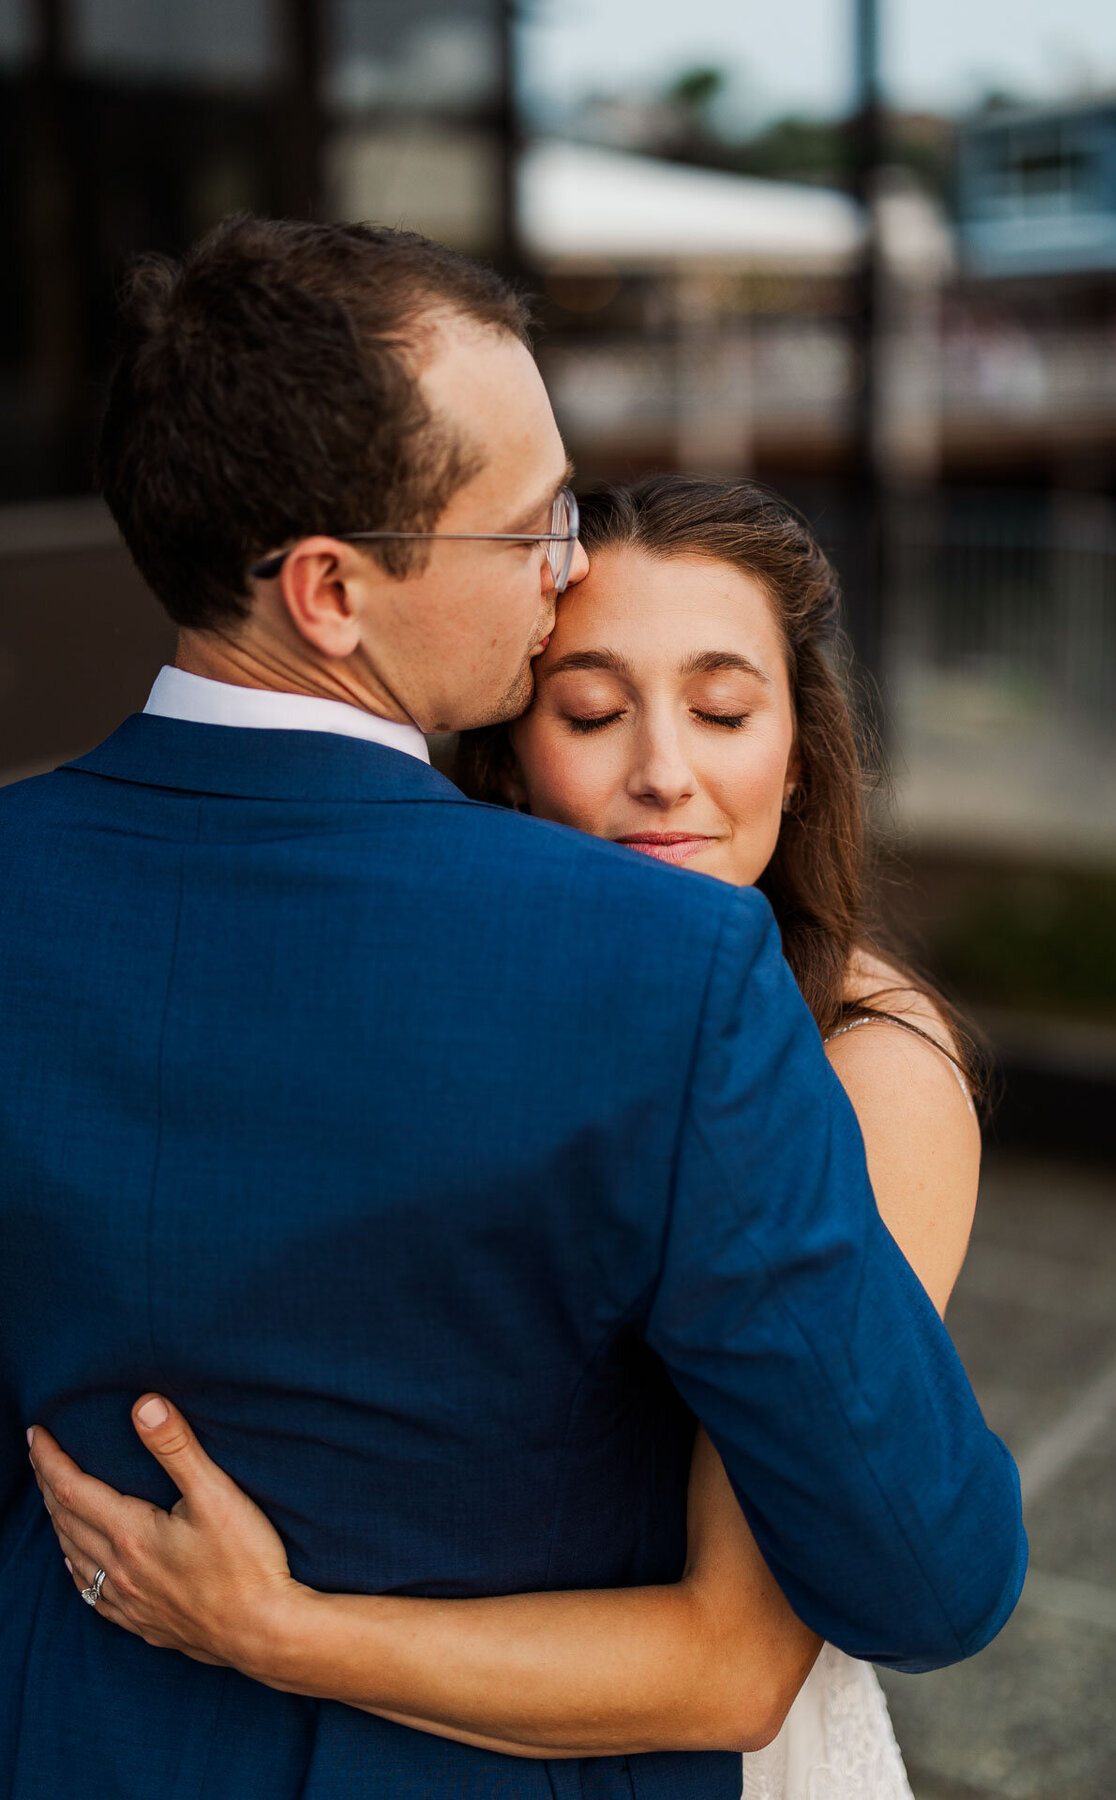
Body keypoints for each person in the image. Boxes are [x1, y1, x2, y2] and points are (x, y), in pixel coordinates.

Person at [5, 217, 1026, 1800]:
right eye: (531, 527)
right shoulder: (666, 969)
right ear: (334, 591)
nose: (561, 570)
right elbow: (929, 1573)